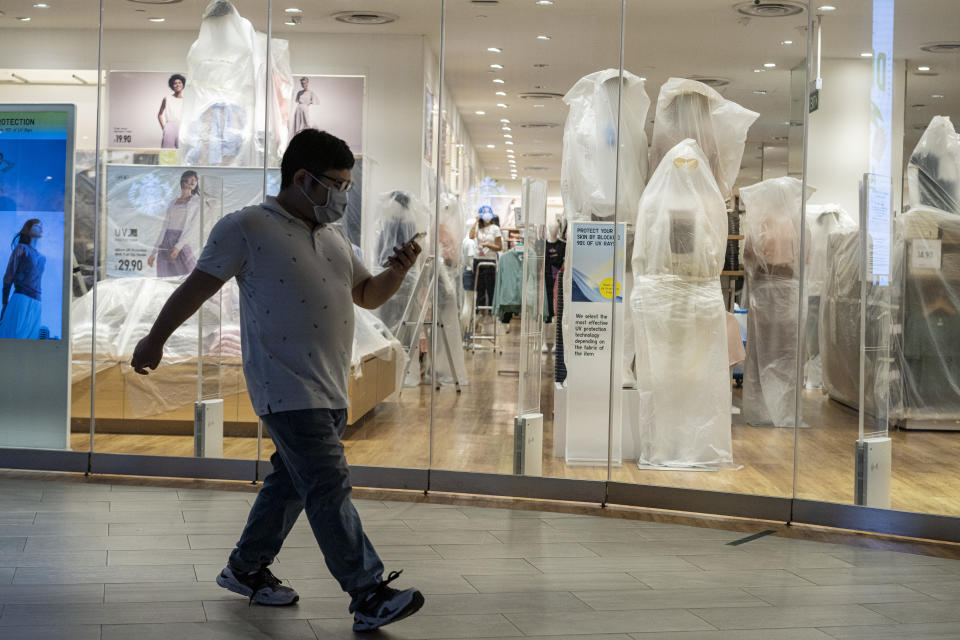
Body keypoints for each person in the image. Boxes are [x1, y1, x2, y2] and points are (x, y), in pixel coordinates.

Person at [129, 129, 424, 632]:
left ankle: (244, 568)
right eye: (337, 184)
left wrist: (396, 272)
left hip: (330, 386)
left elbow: (367, 295)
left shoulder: (334, 236)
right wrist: (154, 339)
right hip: (284, 386)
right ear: (302, 178)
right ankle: (368, 592)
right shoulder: (246, 226)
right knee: (328, 484)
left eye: (349, 185)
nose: (343, 196)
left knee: (290, 484)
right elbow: (196, 287)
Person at [147, 170, 201, 277]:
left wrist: (178, 247)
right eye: (191, 178)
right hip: (166, 243)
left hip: (181, 242)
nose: (194, 181)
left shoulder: (196, 202)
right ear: (184, 180)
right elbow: (164, 228)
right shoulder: (172, 202)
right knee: (165, 278)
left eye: (195, 180)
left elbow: (192, 228)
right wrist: (153, 253)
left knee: (188, 277)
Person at [0, 219, 45, 339]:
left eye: (41, 226)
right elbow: (8, 276)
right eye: (37, 226)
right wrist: (5, 303)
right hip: (21, 299)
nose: (41, 228)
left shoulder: (42, 257)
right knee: (14, 336)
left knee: (31, 339)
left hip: (36, 302)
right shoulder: (21, 249)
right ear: (28, 229)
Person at [468, 206, 501, 309]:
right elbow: (471, 236)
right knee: (479, 288)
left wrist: (488, 245)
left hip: (490, 260)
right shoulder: (478, 227)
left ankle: (491, 311)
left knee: (491, 288)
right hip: (478, 260)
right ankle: (480, 311)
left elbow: (499, 247)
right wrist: (476, 221)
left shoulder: (495, 229)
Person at [158, 73, 186, 149]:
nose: (177, 85)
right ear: (172, 86)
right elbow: (160, 114)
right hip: (170, 126)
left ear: (183, 84)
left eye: (179, 83)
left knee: (181, 151)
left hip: (182, 127)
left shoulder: (186, 100)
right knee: (167, 152)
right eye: (175, 83)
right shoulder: (167, 98)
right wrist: (164, 128)